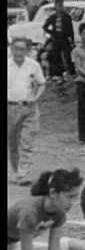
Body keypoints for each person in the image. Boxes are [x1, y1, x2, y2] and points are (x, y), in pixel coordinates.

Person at [8, 36, 47, 186]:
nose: (19, 52)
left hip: (29, 107)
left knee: (27, 141)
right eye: (16, 48)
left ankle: (24, 172)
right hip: (10, 108)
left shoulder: (33, 65)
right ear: (11, 49)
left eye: (22, 49)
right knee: (13, 142)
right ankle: (16, 171)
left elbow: (42, 84)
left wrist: (35, 97)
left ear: (28, 51)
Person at [42, 0, 75, 84]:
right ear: (55, 6)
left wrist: (72, 41)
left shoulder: (67, 17)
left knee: (67, 57)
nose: (60, 7)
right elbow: (45, 26)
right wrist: (52, 32)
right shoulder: (52, 17)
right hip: (56, 39)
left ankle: (71, 74)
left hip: (64, 39)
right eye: (59, 5)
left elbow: (71, 30)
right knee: (57, 58)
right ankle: (59, 75)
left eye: (61, 5)